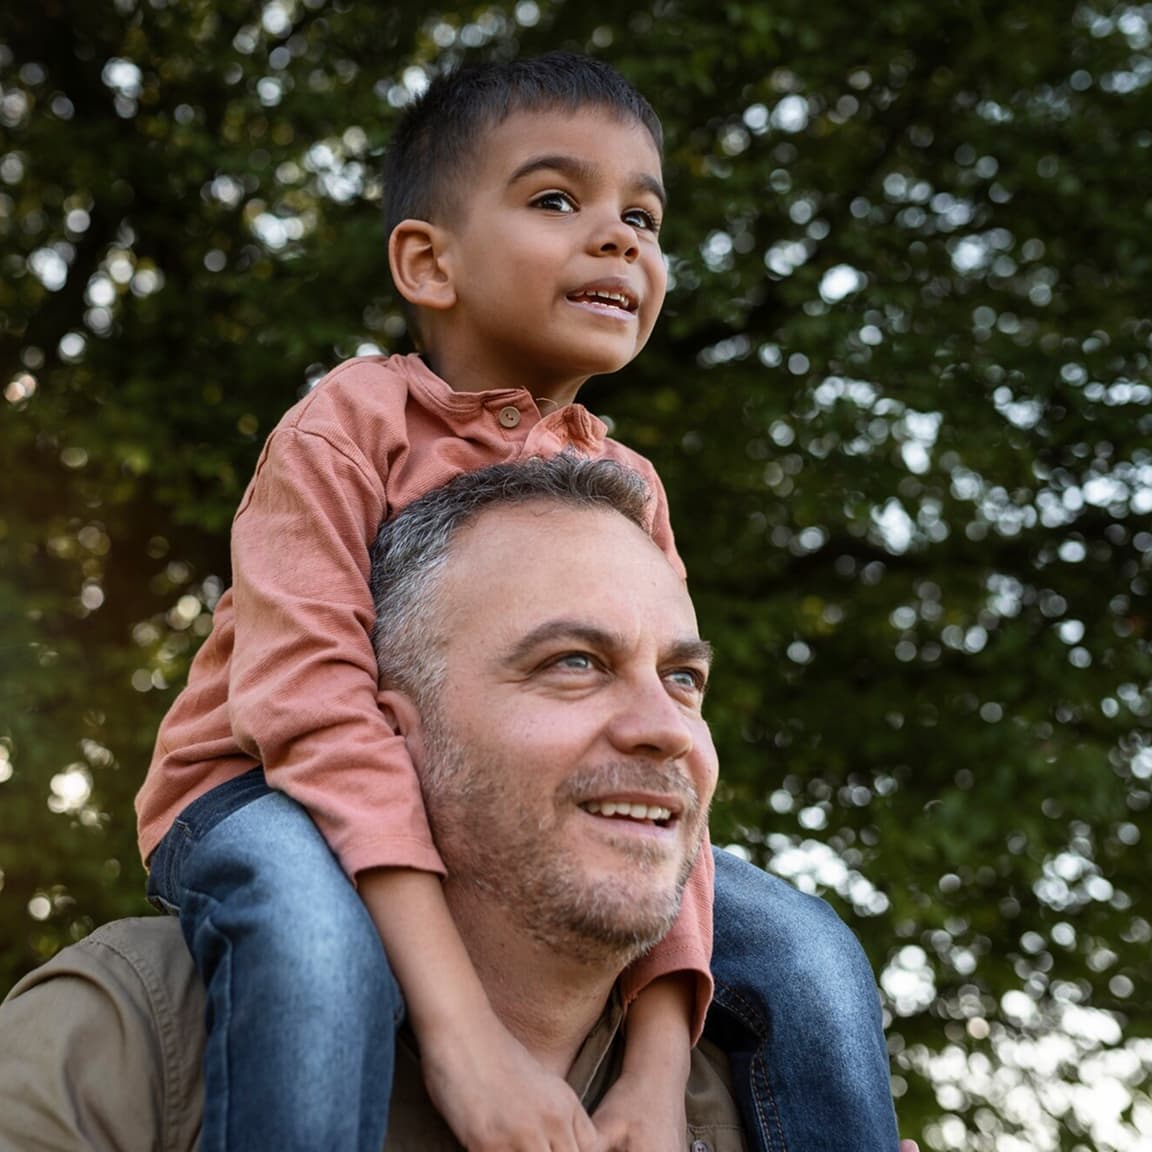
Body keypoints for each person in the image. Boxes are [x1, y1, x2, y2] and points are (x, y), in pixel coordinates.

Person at [130, 52, 901, 1152]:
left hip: (502, 816)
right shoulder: (347, 426)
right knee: (311, 943)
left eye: (644, 213)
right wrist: (464, 1037)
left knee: (811, 955)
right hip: (266, 796)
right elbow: (311, 708)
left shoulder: (626, 490)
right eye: (557, 199)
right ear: (428, 262)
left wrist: (652, 1076)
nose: (622, 237)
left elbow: (667, 757)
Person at [0, 458, 915, 1152]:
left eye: (683, 679)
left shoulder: (771, 1095)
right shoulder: (135, 1038)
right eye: (574, 663)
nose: (664, 729)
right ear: (390, 740)